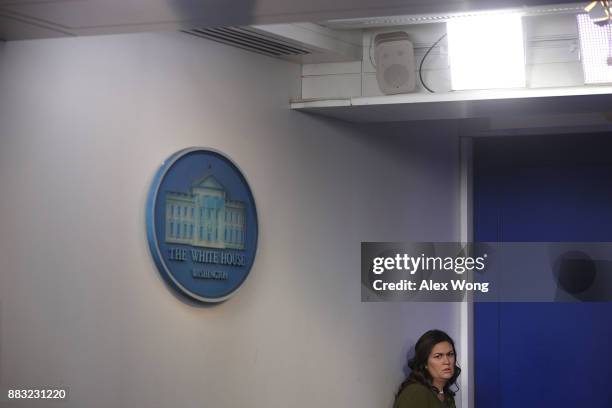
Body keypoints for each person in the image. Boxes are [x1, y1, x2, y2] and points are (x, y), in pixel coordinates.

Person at [394, 330, 460, 408]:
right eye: (438, 356)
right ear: (425, 363)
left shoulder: (447, 395)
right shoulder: (415, 393)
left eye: (450, 354)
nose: (447, 361)